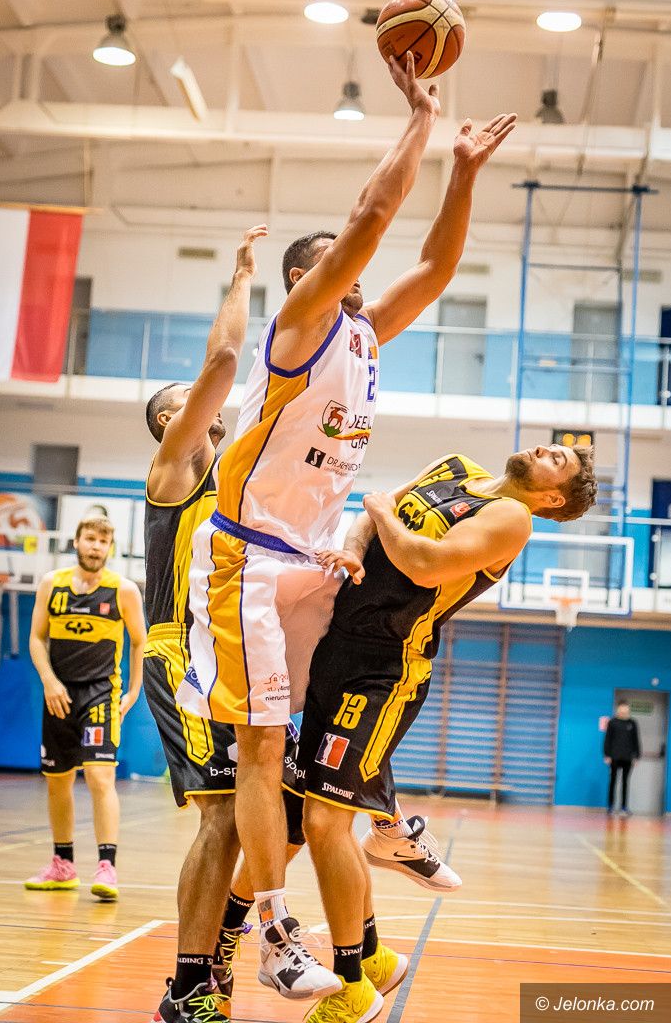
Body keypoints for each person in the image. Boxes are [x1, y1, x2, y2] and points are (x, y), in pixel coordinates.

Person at [176, 49, 516, 1001]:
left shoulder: (364, 335)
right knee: (259, 747)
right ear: (308, 276)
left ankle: (385, 824)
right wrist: (421, 121)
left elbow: (436, 266)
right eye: (338, 264)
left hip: (314, 564)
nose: (360, 273)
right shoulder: (299, 328)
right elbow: (371, 219)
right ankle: (276, 936)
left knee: (329, 721)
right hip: (247, 561)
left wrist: (464, 172)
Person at [292, 444, 598, 1022]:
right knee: (327, 820)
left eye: (557, 460)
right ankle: (374, 956)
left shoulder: (513, 518)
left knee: (323, 821)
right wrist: (356, 544)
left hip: (386, 667)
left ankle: (352, 986)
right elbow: (372, 514)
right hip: (338, 645)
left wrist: (381, 512)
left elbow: (424, 564)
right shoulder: (455, 467)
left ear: (553, 497)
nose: (543, 448)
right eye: (551, 445)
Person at [142, 226, 305, 1023]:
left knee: (286, 810)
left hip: (237, 649)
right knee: (219, 815)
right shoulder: (174, 471)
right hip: (182, 656)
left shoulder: (239, 484)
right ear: (169, 423)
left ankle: (227, 939)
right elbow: (224, 363)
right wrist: (243, 280)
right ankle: (187, 987)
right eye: (178, 402)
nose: (196, 402)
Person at [25, 515, 146, 901]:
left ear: (110, 548)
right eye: (90, 539)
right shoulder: (52, 584)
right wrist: (49, 681)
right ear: (76, 542)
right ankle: (63, 865)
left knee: (99, 776)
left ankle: (107, 867)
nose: (96, 546)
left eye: (103, 541)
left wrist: (134, 690)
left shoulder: (123, 590)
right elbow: (36, 638)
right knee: (57, 780)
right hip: (58, 694)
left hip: (101, 695)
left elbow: (140, 641)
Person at [604, 699, 640, 817]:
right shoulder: (612, 722)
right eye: (622, 708)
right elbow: (607, 739)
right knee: (613, 781)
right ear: (618, 709)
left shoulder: (632, 723)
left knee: (625, 782)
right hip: (614, 757)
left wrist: (636, 756)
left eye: (626, 709)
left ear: (628, 710)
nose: (624, 711)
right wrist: (607, 754)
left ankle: (624, 807)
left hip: (628, 757)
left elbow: (636, 740)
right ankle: (610, 806)